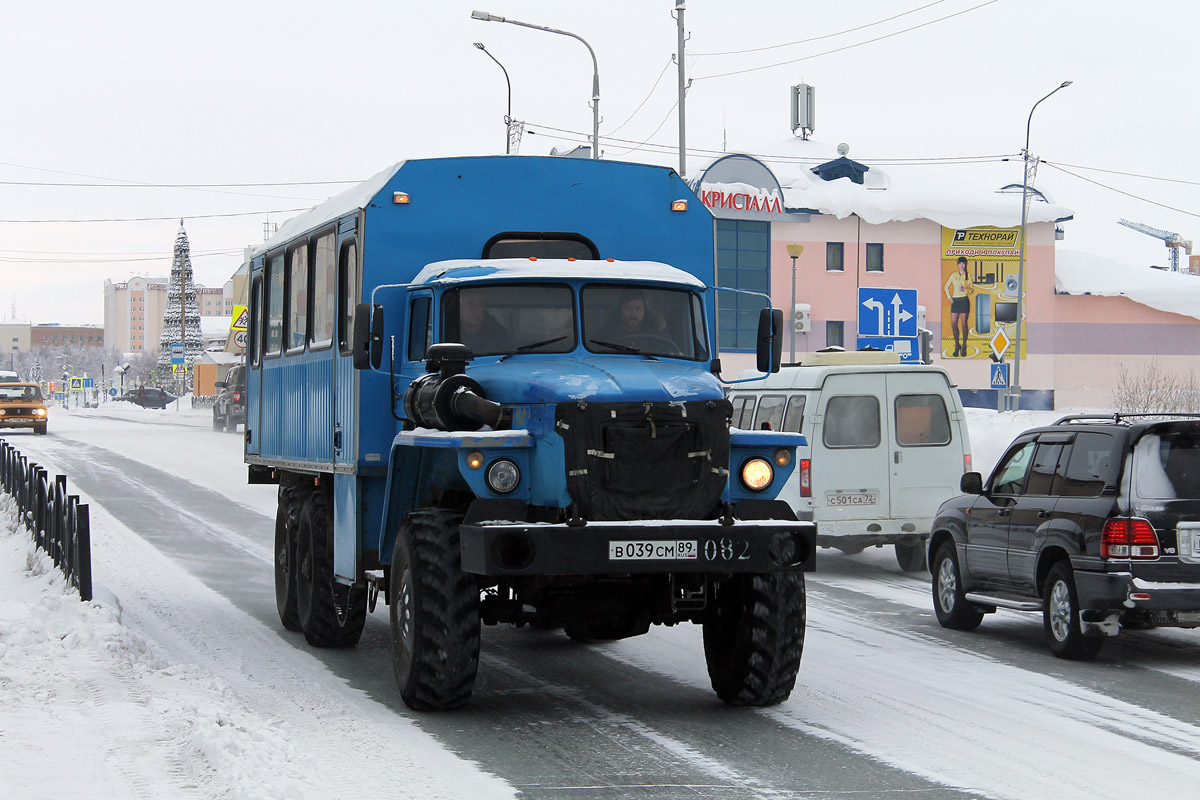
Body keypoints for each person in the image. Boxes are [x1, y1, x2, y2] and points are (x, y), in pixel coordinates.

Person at [594, 290, 667, 346]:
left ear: (645, 310)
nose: (633, 315)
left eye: (638, 308)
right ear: (620, 310)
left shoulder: (655, 335)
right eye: (628, 308)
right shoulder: (605, 335)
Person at [943, 256, 973, 357]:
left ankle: (964, 346)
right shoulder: (954, 275)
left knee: (964, 323)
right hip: (955, 301)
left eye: (963, 263)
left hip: (964, 300)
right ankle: (957, 345)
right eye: (960, 263)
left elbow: (971, 290)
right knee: (954, 323)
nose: (962, 265)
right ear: (958, 264)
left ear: (965, 265)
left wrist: (965, 289)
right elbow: (946, 286)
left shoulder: (968, 276)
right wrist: (949, 297)